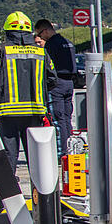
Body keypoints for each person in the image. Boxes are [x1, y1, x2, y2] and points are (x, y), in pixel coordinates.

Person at [0, 12, 57, 169]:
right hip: (34, 111)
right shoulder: (41, 52)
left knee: (9, 155)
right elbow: (53, 79)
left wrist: (1, 88)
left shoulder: (1, 50)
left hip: (7, 113)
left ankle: (8, 192)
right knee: (36, 155)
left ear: (8, 32)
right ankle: (40, 191)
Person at [34, 19, 75, 155]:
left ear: (45, 30)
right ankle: (70, 149)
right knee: (67, 118)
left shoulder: (51, 45)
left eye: (40, 34)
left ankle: (61, 153)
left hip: (56, 84)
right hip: (69, 83)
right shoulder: (67, 42)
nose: (40, 37)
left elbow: (47, 67)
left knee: (57, 119)